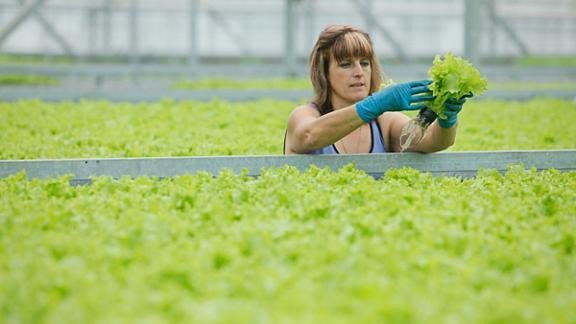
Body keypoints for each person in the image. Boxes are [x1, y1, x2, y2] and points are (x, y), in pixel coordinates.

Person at [283, 24, 469, 155]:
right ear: (324, 73)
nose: (359, 72)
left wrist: (446, 118)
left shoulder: (383, 123)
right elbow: (308, 136)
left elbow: (432, 141)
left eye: (364, 63)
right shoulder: (305, 114)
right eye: (346, 65)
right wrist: (372, 105)